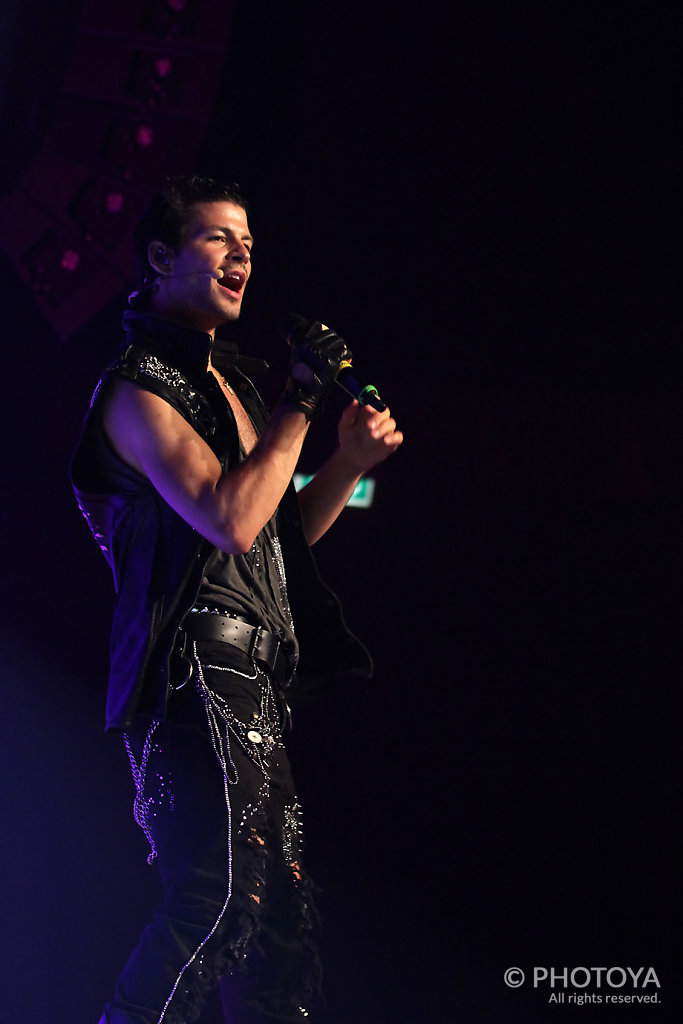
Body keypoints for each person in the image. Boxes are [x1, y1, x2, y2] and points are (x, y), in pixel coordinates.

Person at [70, 174, 402, 1024]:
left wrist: (346, 464)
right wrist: (300, 397)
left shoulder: (236, 388)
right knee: (219, 896)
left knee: (282, 933)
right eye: (219, 237)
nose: (242, 252)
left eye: (247, 240)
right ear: (160, 258)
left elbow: (269, 537)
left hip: (254, 677)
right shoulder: (138, 389)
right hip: (190, 673)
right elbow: (224, 519)